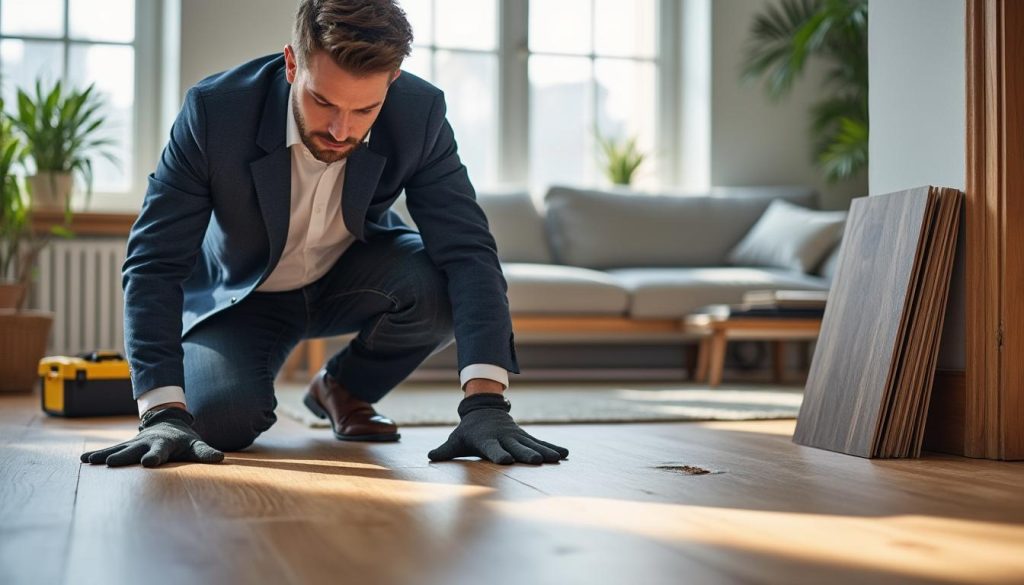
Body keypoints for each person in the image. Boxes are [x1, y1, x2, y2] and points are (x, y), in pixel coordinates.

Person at [80, 0, 568, 468]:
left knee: (437, 287)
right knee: (218, 420)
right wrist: (162, 412)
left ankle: (344, 388)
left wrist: (486, 402)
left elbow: (468, 250)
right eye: (323, 101)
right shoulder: (214, 112)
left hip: (351, 274)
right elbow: (153, 261)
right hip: (242, 298)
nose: (340, 129)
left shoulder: (421, 114)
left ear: (392, 81)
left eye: (364, 111)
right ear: (292, 63)